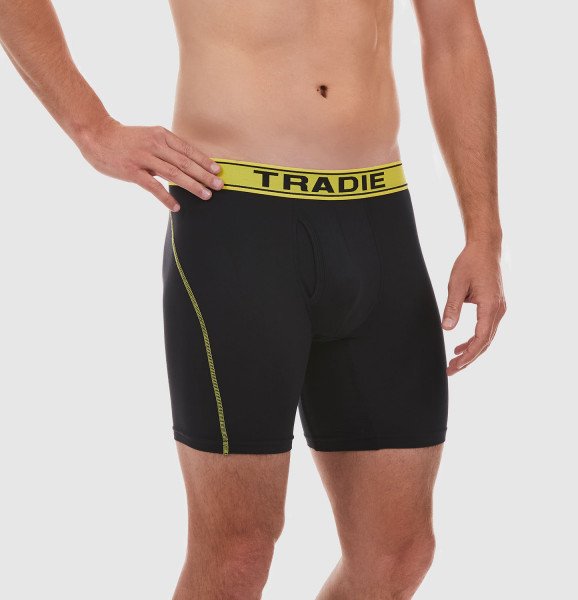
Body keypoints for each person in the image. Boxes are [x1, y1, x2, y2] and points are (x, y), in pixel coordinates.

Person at [0, 0, 506, 598]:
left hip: (379, 218)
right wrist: (92, 129)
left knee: (397, 554)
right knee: (236, 554)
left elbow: (453, 36)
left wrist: (484, 234)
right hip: (236, 216)